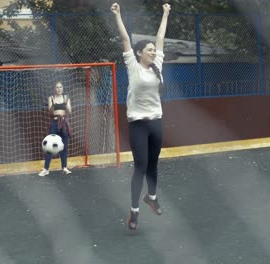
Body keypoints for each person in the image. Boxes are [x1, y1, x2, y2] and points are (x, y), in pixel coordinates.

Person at [111, 2, 170, 230]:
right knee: (141, 166)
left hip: (156, 122)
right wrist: (118, 15)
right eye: (149, 50)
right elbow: (125, 39)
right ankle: (134, 211)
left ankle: (152, 197)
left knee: (153, 164)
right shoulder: (133, 67)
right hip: (138, 124)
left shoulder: (158, 66)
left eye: (154, 50)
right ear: (139, 53)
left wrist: (165, 13)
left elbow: (161, 38)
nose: (153, 52)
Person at [38, 81, 72, 176]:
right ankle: (46, 169)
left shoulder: (66, 98)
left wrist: (66, 104)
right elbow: (50, 111)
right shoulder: (51, 98)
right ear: (54, 89)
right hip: (54, 123)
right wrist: (54, 106)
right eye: (57, 87)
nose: (59, 89)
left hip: (64, 123)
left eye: (60, 87)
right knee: (50, 146)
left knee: (64, 146)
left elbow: (69, 110)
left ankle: (64, 167)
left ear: (63, 88)